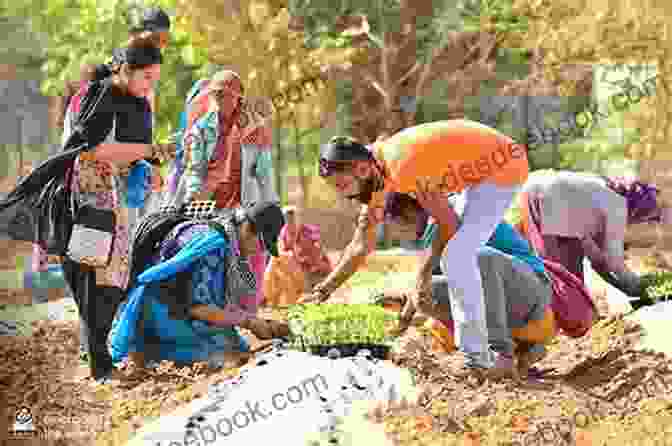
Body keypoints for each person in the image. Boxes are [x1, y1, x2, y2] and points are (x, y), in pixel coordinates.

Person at [301, 121, 529, 377]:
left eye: (342, 186)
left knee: (456, 256)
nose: (343, 195)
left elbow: (448, 224)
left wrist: (422, 277)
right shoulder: (377, 172)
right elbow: (361, 244)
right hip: (478, 175)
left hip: (502, 166)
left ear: (362, 169)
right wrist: (322, 291)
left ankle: (476, 359)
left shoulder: (404, 167)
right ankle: (493, 354)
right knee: (454, 257)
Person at [58, 40, 172, 383]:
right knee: (93, 276)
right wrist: (148, 150)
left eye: (155, 79)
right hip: (86, 196)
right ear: (125, 70)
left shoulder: (140, 105)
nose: (151, 85)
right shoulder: (100, 95)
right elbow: (92, 150)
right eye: (147, 77)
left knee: (115, 279)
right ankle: (99, 361)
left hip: (117, 200)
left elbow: (134, 152)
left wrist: (151, 164)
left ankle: (100, 357)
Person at [108, 202, 289, 370]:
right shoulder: (214, 247)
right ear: (248, 229)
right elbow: (199, 308)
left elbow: (212, 298)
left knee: (235, 344)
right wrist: (249, 322)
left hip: (170, 302)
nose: (260, 251)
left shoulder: (222, 231)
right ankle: (148, 348)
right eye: (262, 244)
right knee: (231, 354)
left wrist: (258, 323)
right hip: (159, 307)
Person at [169, 69, 277, 308]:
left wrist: (269, 205)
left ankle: (247, 310)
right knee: (204, 249)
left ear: (238, 97)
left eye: (225, 95)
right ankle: (211, 308)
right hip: (210, 202)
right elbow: (194, 170)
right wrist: (194, 198)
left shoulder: (255, 128)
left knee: (253, 251)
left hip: (245, 201)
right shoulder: (200, 129)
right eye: (215, 95)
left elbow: (264, 172)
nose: (219, 100)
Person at [516, 170, 667, 297]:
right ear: (637, 210)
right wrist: (637, 286)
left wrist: (627, 289)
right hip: (546, 196)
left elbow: (598, 261)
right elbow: (615, 263)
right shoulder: (616, 207)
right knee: (561, 272)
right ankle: (564, 318)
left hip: (533, 189)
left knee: (563, 268)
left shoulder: (598, 199)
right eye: (644, 217)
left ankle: (565, 314)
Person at [263, 206, 333, 306]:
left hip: (314, 277)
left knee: (278, 259)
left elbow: (316, 261)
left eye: (292, 218)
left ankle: (266, 297)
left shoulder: (309, 232)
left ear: (298, 218)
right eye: (286, 219)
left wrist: (294, 258)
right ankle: (280, 302)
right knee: (280, 272)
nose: (289, 222)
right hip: (298, 274)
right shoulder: (284, 234)